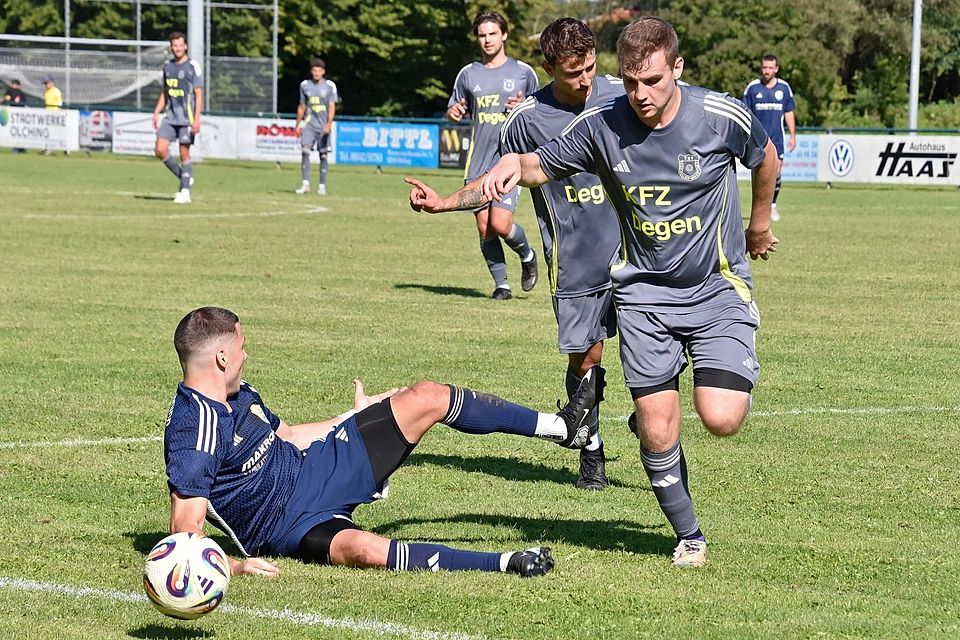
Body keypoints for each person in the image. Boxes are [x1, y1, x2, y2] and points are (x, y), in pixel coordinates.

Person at [479, 17, 780, 568]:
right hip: (641, 293)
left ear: (678, 69)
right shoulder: (602, 122)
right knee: (656, 426)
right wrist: (507, 165)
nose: (640, 95)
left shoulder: (719, 115)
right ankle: (689, 535)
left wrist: (758, 224)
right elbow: (538, 165)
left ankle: (705, 372)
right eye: (632, 81)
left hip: (715, 289)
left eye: (654, 81)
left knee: (721, 418)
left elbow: (765, 158)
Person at [164, 306, 605, 578]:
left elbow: (287, 436)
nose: (246, 355)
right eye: (243, 347)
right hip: (287, 526)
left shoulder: (237, 393)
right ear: (221, 357)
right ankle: (507, 562)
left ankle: (563, 428)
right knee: (364, 549)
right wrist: (237, 566)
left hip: (318, 466)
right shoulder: (195, 428)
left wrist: (352, 417)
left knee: (426, 395)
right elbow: (185, 533)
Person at [406, 18, 623, 491]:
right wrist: (443, 202)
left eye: (590, 67)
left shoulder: (621, 95)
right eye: (573, 72)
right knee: (586, 360)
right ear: (549, 68)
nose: (585, 79)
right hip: (573, 260)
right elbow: (493, 184)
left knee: (655, 356)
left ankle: (650, 432)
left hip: (637, 251)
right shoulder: (526, 120)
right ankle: (592, 449)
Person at [446, 10, 540, 300]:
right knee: (485, 227)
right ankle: (502, 286)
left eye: (492, 34)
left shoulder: (523, 72)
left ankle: (527, 255)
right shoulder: (468, 74)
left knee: (500, 223)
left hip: (509, 160)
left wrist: (524, 107)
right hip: (478, 161)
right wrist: (454, 113)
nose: (487, 40)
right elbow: (453, 113)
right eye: (482, 35)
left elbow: (541, 113)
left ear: (504, 35)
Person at [742, 54, 796, 221]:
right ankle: (759, 208)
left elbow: (789, 113)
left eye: (770, 68)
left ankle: (772, 206)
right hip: (757, 139)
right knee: (759, 174)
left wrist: (793, 135)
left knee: (777, 172)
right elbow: (744, 112)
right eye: (764, 67)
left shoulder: (784, 88)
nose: (767, 71)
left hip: (777, 139)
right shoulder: (753, 88)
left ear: (776, 69)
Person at [153, 31, 204, 205]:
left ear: (186, 46)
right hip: (170, 116)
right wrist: (156, 112)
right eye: (174, 46)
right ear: (171, 47)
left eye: (180, 45)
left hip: (186, 118)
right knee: (160, 150)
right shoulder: (167, 66)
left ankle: (184, 192)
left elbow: (198, 94)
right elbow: (165, 92)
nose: (177, 48)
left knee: (184, 153)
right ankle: (184, 176)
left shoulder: (192, 66)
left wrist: (197, 119)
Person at [295, 58, 338, 196]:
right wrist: (298, 124)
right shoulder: (305, 85)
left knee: (323, 155)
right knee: (305, 150)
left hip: (323, 125)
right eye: (314, 70)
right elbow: (302, 106)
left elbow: (332, 106)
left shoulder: (330, 86)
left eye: (319, 70)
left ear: (323, 72)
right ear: (311, 71)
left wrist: (329, 124)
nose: (316, 73)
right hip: (309, 124)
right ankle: (305, 184)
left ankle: (322, 186)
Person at [3, 79, 26, 153]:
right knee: (19, 131)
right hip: (20, 115)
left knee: (14, 131)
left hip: (14, 115)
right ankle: (21, 148)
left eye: (13, 84)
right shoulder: (22, 93)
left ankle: (17, 148)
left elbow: (7, 98)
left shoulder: (10, 91)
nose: (13, 85)